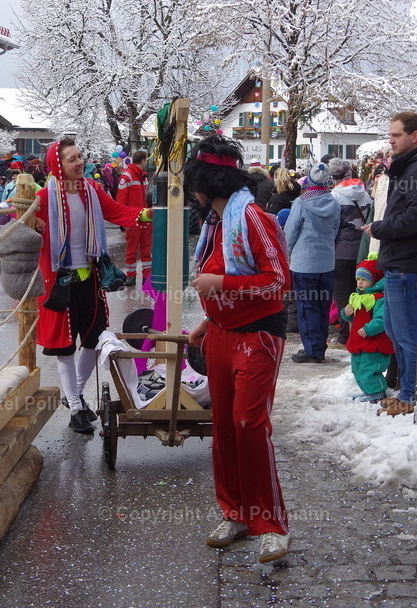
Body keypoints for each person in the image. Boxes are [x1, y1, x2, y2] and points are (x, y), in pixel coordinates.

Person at [184, 135, 292, 564]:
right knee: (225, 428)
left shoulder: (250, 217)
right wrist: (208, 321)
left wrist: (221, 285)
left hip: (258, 335)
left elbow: (277, 282)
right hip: (222, 333)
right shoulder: (217, 222)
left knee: (249, 423)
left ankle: (271, 524)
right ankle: (236, 513)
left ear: (205, 183)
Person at [34, 138, 151, 434]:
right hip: (59, 282)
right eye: (71, 159)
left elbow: (116, 211)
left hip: (91, 278)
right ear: (58, 165)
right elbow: (18, 222)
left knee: (93, 341)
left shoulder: (92, 189)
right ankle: (76, 408)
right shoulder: (43, 197)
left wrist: (143, 214)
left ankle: (73, 395)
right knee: (64, 348)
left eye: (79, 156)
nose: (79, 162)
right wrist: (31, 224)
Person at [363, 112, 417, 416]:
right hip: (402, 261)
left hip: (410, 263)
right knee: (395, 329)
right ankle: (407, 391)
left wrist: (380, 228)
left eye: (396, 135)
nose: (391, 140)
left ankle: (414, 397)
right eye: (390, 135)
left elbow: (416, 217)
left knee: (409, 334)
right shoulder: (415, 165)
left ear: (415, 136)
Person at [285, 163, 340, 363]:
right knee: (323, 305)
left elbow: (290, 232)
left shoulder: (301, 202)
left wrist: (287, 254)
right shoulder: (334, 202)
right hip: (327, 262)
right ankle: (319, 346)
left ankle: (312, 349)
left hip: (304, 263)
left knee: (307, 306)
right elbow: (335, 229)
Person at [329, 158, 371, 345]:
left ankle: (345, 333)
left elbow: (332, 225)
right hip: (362, 250)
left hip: (340, 250)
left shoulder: (335, 196)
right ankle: (359, 328)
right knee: (359, 290)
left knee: (341, 293)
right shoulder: (366, 194)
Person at [340, 257, 393, 402]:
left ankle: (378, 392)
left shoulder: (379, 299)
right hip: (359, 342)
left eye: (364, 279)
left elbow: (383, 319)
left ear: (374, 280)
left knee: (369, 369)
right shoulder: (357, 297)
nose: (360, 282)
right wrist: (346, 313)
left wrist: (369, 329)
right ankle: (368, 391)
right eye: (358, 279)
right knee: (357, 368)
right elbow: (353, 318)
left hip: (374, 343)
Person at [115, 150, 153, 286]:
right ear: (143, 160)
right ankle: (131, 276)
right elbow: (120, 200)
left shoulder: (144, 176)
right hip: (133, 218)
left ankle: (146, 276)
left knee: (146, 249)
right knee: (132, 249)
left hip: (145, 217)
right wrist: (123, 218)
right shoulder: (127, 176)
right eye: (146, 160)